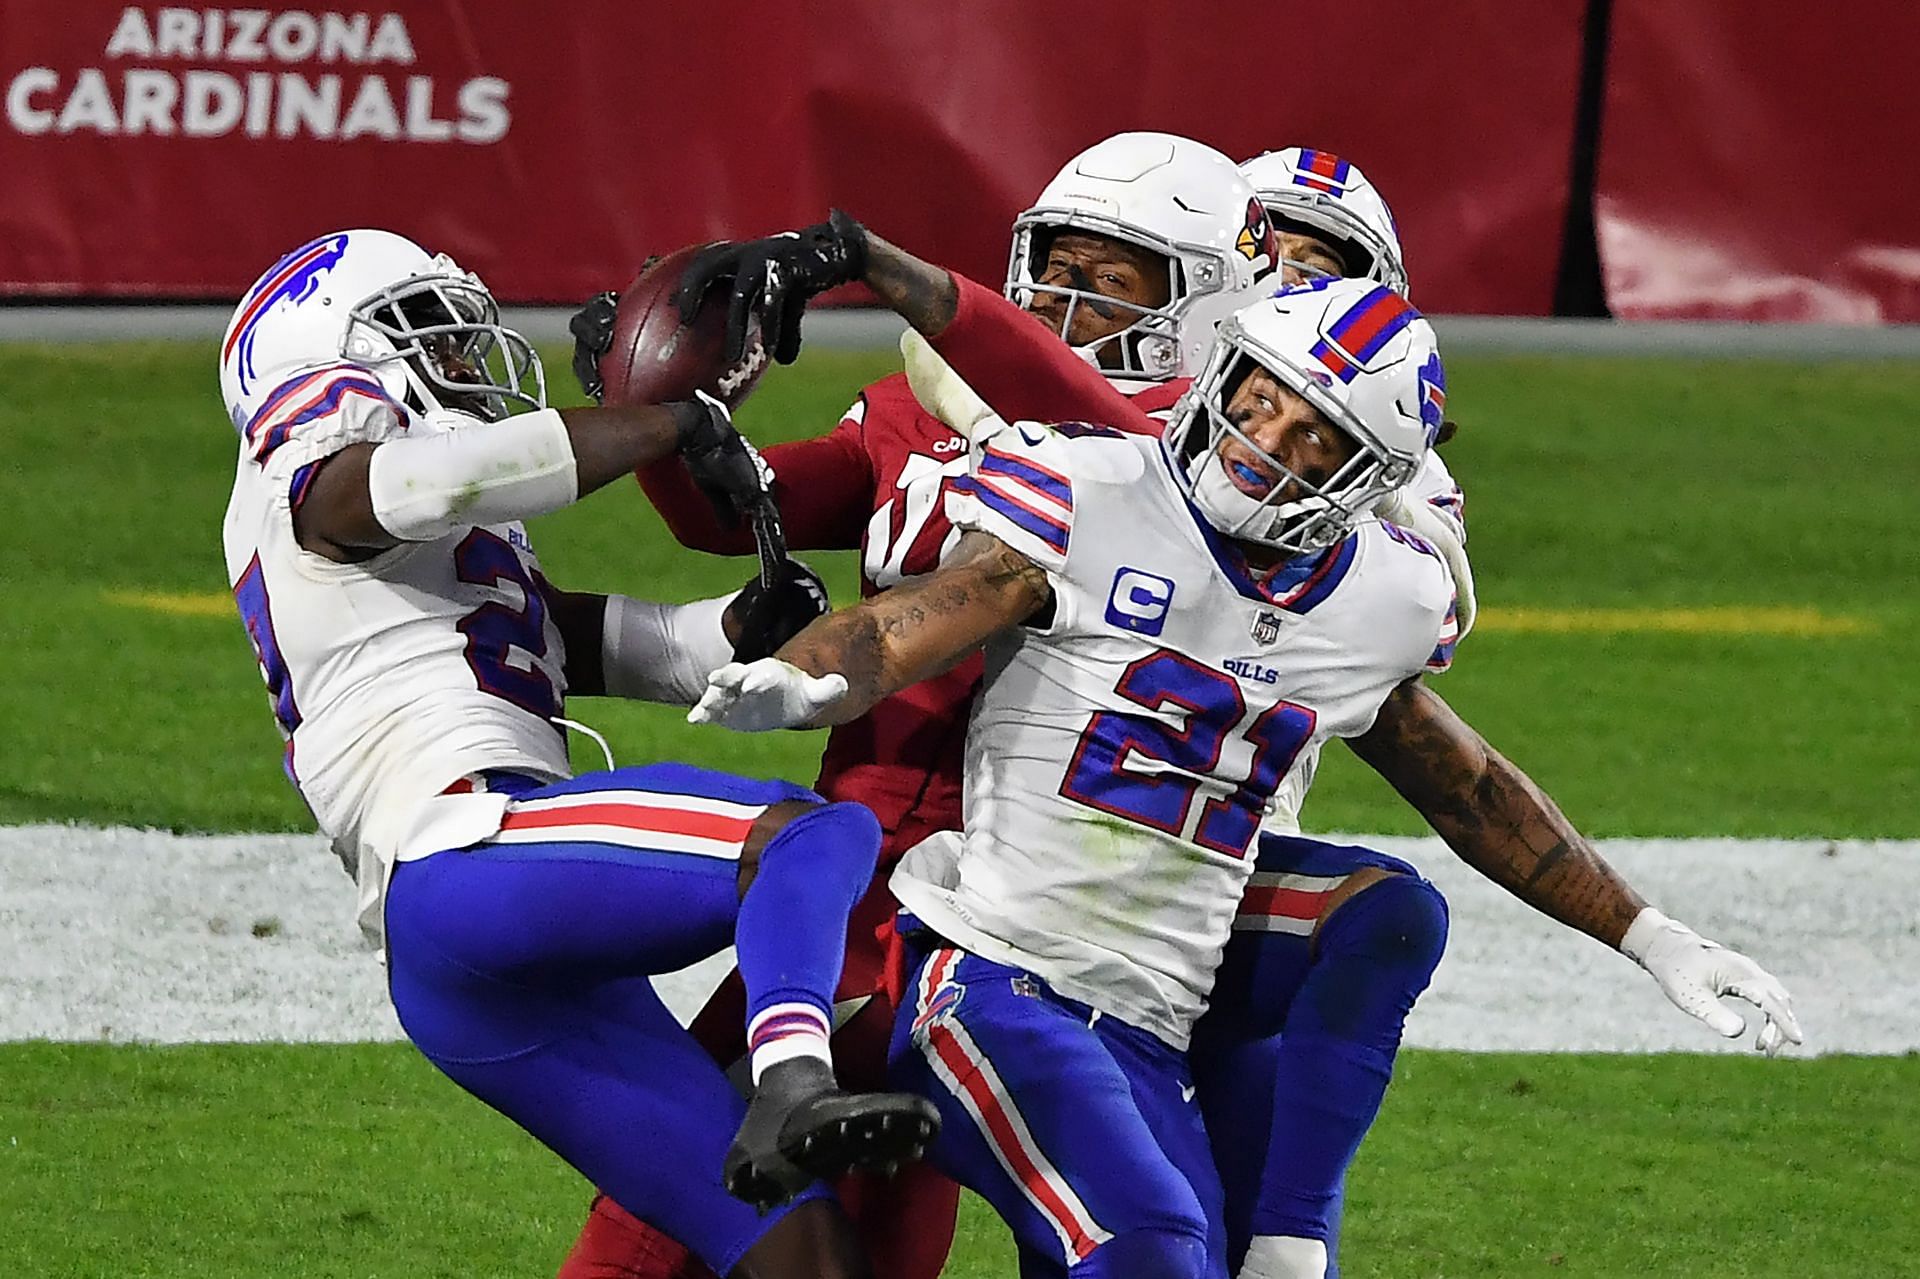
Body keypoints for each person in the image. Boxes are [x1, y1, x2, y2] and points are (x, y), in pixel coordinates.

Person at [674, 211, 1804, 1279]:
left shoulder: (1376, 598)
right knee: (1150, 1246)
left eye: (1315, 437)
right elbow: (920, 614)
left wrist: (1653, 937)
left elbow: (1468, 787)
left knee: (1382, 927)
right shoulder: (1091, 485)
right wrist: (801, 678)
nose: (1268, 441)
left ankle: (1288, 1240)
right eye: (1263, 400)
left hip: (1155, 1010)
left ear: (1364, 482)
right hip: (993, 975)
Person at [557, 131, 1285, 1279]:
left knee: (693, 1188)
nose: (1067, 296)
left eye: (1115, 276)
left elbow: (1095, 423)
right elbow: (743, 508)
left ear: (1203, 301)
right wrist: (667, 411)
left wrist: (887, 268)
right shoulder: (923, 405)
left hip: (1005, 888)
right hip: (861, 853)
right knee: (837, 1196)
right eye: (1056, 262)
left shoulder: (1183, 468)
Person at [218, 228, 936, 1279]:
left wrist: (734, 629)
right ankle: (791, 1081)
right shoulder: (316, 451)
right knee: (809, 837)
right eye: (427, 328)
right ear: (330, 355)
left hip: (483, 956)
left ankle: (787, 1116)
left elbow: (563, 641)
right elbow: (409, 487)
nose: (466, 355)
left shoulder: (424, 528)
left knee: (804, 1252)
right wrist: (662, 423)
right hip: (465, 851)